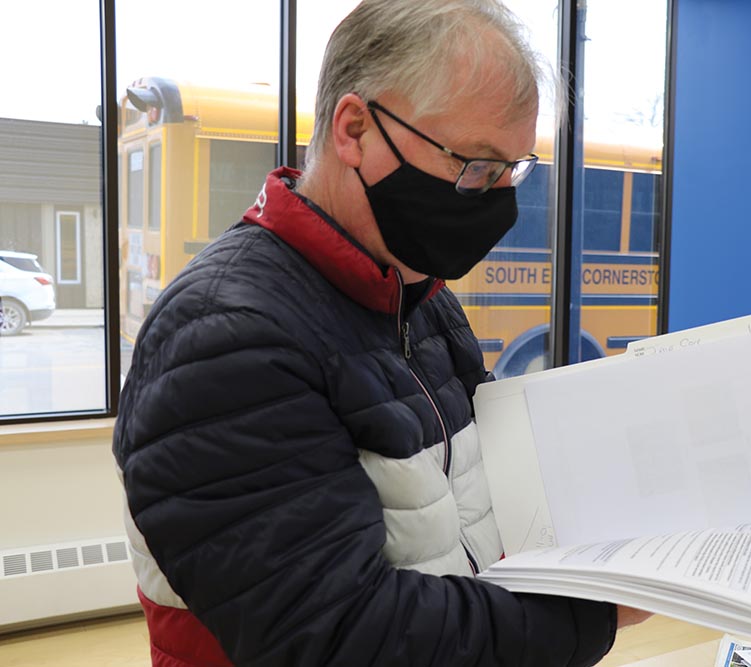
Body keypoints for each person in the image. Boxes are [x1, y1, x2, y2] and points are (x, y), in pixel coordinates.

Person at [113, 1, 650, 665]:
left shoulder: (417, 297)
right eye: (473, 165)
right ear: (355, 129)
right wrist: (587, 613)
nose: (494, 199)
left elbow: (480, 495)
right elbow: (344, 637)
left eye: (511, 171)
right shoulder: (224, 338)